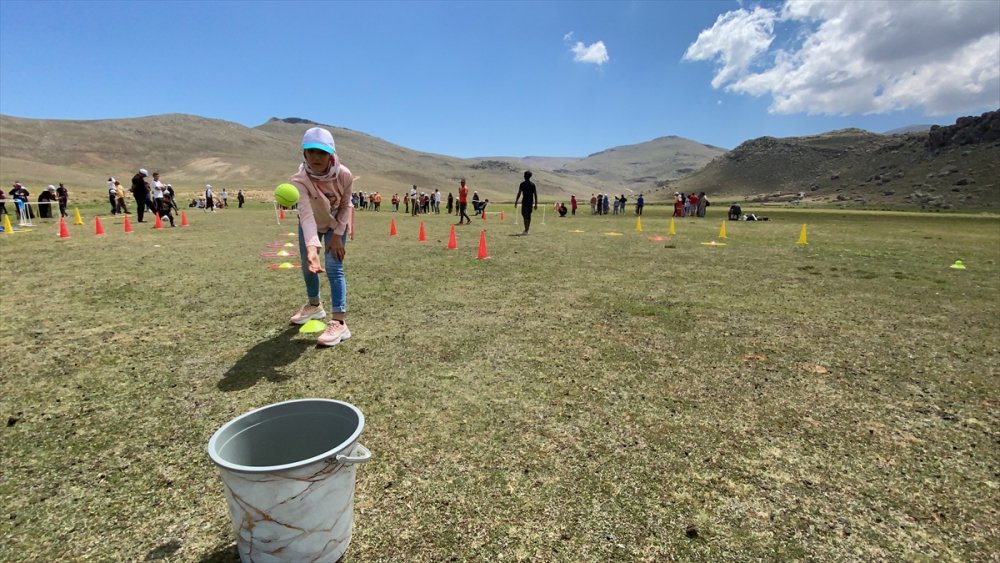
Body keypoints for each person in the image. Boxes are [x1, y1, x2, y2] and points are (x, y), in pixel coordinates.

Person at [287, 127, 354, 347]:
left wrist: (337, 235)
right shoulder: (299, 180)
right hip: (312, 224)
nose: (316, 157)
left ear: (331, 154)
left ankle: (339, 323)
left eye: (322, 152)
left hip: (336, 224)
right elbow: (306, 216)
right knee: (308, 266)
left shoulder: (344, 175)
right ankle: (315, 306)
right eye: (311, 151)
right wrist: (312, 249)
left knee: (334, 267)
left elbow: (345, 205)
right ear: (304, 154)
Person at [513, 170, 537, 235]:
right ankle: (527, 229)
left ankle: (526, 230)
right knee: (528, 215)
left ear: (526, 176)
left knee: (524, 215)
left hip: (525, 202)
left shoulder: (522, 184)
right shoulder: (533, 184)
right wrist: (535, 204)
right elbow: (535, 195)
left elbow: (519, 193)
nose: (524, 176)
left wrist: (516, 202)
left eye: (524, 175)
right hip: (530, 202)